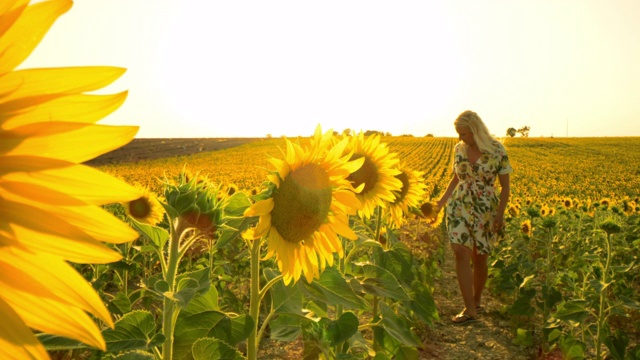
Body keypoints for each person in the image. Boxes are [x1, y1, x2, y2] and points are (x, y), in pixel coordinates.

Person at [436, 110, 512, 324]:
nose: (461, 138)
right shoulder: (459, 149)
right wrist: (440, 203)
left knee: (480, 257)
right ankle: (469, 308)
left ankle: (476, 301)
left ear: (475, 130)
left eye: (464, 134)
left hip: (485, 207)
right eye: (459, 134)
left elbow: (505, 187)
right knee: (460, 252)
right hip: (459, 205)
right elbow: (455, 179)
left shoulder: (497, 150)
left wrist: (500, 215)